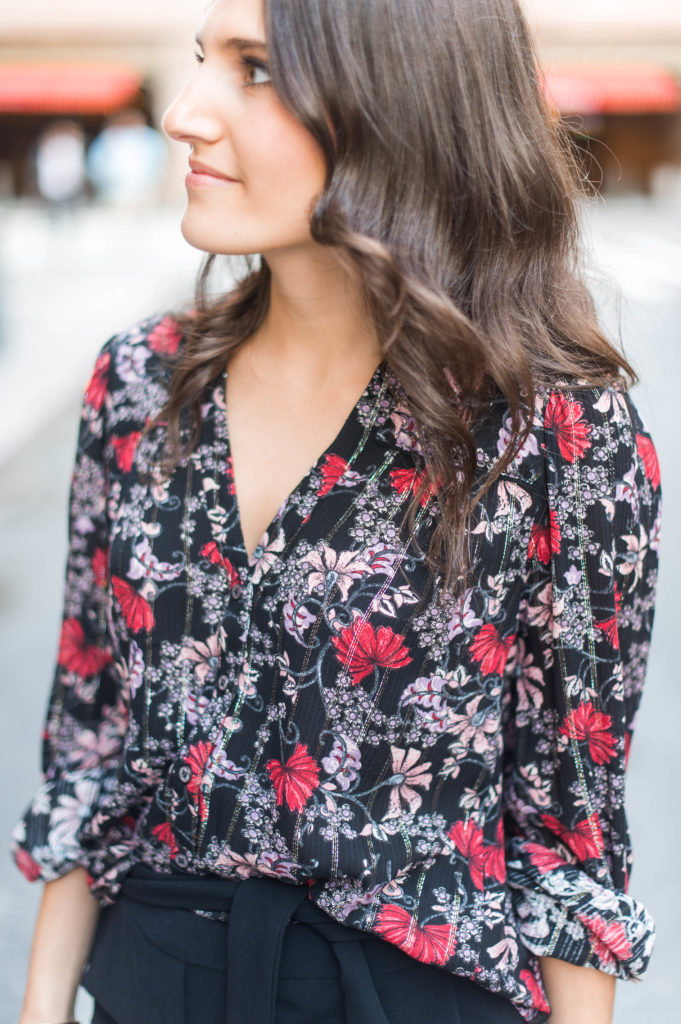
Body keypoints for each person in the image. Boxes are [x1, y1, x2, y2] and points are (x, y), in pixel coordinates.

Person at [10, 1, 661, 1023]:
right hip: (156, 979)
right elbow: (90, 748)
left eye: (256, 69)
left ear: (399, 99)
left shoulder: (554, 433)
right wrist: (41, 1008)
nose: (184, 113)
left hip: (410, 994)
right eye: (200, 62)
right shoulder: (140, 386)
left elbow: (568, 832)